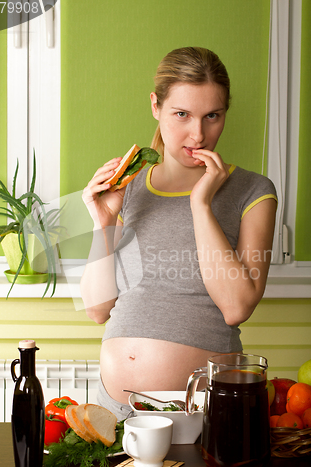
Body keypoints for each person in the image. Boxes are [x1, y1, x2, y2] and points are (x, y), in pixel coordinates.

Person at [81, 47, 277, 420]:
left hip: (200, 414)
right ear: (156, 106)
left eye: (212, 116)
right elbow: (97, 309)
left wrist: (201, 204)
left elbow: (237, 308)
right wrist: (102, 221)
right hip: (115, 410)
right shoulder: (128, 186)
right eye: (182, 114)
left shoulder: (253, 191)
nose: (198, 134)